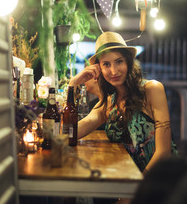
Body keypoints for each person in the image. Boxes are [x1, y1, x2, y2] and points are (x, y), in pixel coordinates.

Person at [68, 31, 178, 174]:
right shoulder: (108, 103)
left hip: (161, 178)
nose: (114, 71)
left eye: (119, 61)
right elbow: (70, 134)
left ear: (128, 62)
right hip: (128, 177)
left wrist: (136, 189)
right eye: (106, 64)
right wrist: (73, 83)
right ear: (99, 69)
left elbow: (164, 152)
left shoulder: (152, 89)